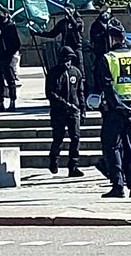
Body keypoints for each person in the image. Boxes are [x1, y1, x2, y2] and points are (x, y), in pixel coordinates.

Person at [95, 22, 131, 198]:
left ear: (112, 39)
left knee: (112, 147)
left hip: (114, 111)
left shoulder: (107, 58)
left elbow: (107, 87)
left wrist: (119, 106)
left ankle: (118, 186)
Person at [45, 46, 85, 177]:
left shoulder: (76, 72)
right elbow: (50, 93)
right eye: (65, 59)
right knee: (58, 138)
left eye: (70, 59)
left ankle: (73, 165)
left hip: (74, 111)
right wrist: (65, 104)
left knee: (75, 137)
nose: (67, 62)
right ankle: (54, 160)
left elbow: (80, 92)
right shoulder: (53, 73)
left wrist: (82, 108)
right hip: (59, 112)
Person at [0, 11, 21, 111]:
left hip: (7, 59)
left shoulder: (10, 27)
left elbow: (16, 43)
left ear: (6, 14)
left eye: (1, 14)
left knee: (10, 81)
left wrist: (9, 54)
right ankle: (0, 103)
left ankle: (12, 102)